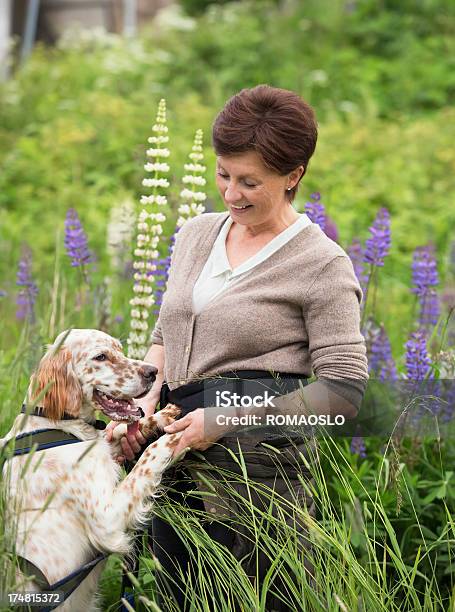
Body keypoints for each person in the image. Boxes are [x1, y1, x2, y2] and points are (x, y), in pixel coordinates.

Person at [107, 84, 368, 610]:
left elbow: (343, 392)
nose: (231, 193)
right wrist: (139, 405)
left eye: (251, 181)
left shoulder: (322, 264)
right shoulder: (195, 234)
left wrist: (226, 419)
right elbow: (165, 336)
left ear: (294, 176)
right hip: (173, 454)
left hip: (256, 475)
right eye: (223, 174)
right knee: (171, 596)